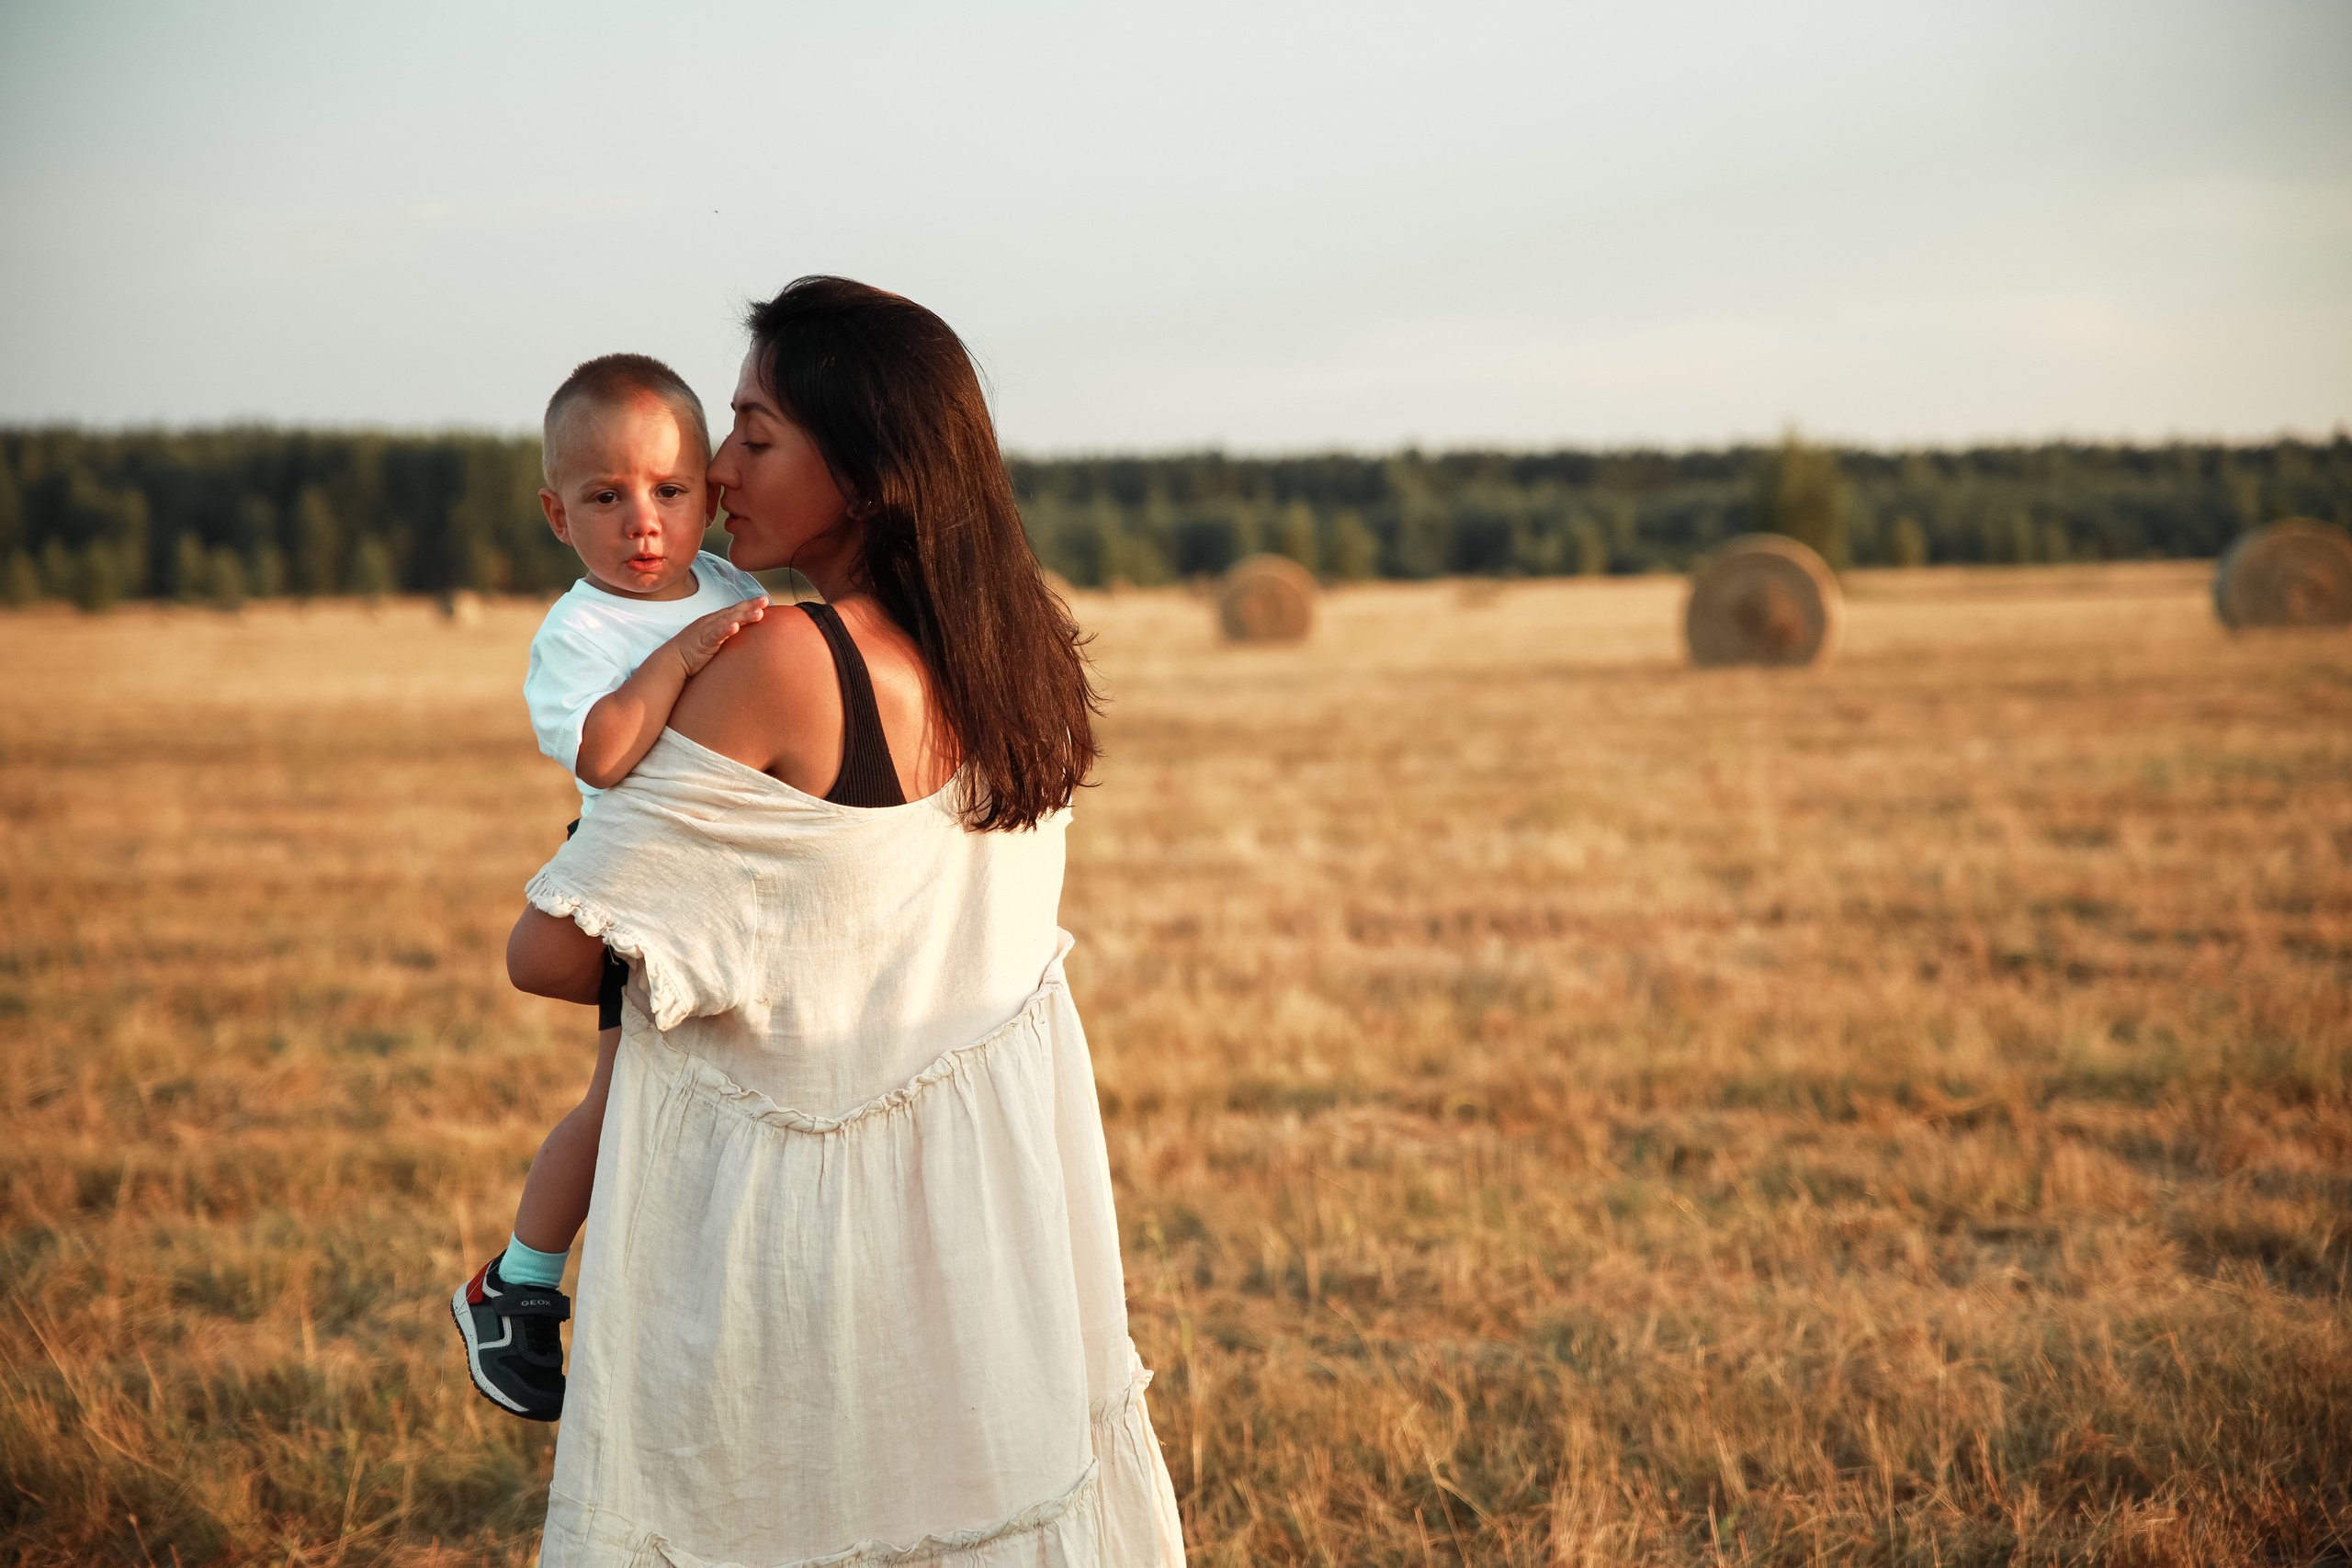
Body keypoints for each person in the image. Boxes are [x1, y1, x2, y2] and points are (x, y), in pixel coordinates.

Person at [504, 276, 1185, 1562]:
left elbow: (550, 951)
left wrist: (597, 847)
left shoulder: (776, 659)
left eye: (755, 433)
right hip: (986, 1219)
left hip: (796, 1214)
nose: (715, 464)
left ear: (867, 471)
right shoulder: (1014, 649)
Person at [450, 354, 769, 1423]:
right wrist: (678, 657)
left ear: (711, 496)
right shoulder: (580, 634)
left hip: (733, 879)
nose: (645, 522)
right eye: (606, 497)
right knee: (622, 1094)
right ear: (557, 515)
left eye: (671, 492)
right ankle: (519, 1283)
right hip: (638, 877)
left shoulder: (735, 588)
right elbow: (603, 754)